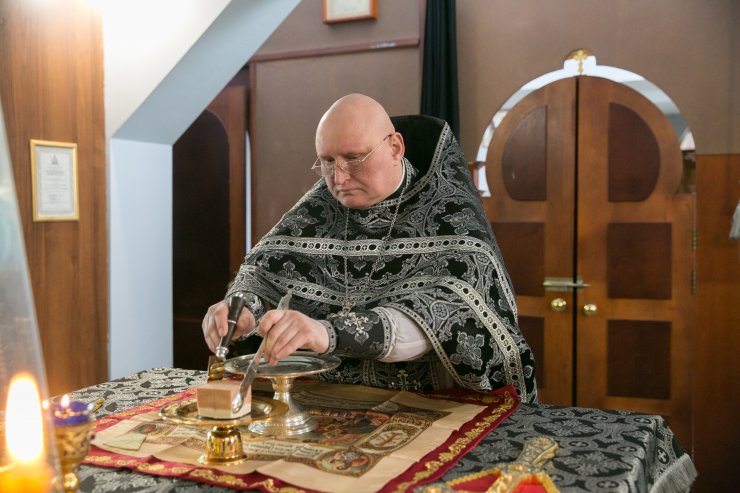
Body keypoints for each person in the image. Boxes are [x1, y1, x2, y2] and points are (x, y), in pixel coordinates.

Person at [202, 93, 537, 402]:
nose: (338, 179)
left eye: (354, 158)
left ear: (395, 147)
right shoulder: (315, 210)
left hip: (425, 408)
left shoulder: (452, 217)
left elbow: (446, 319)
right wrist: (242, 311)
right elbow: (263, 279)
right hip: (319, 403)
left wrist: (327, 333)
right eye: (327, 161)